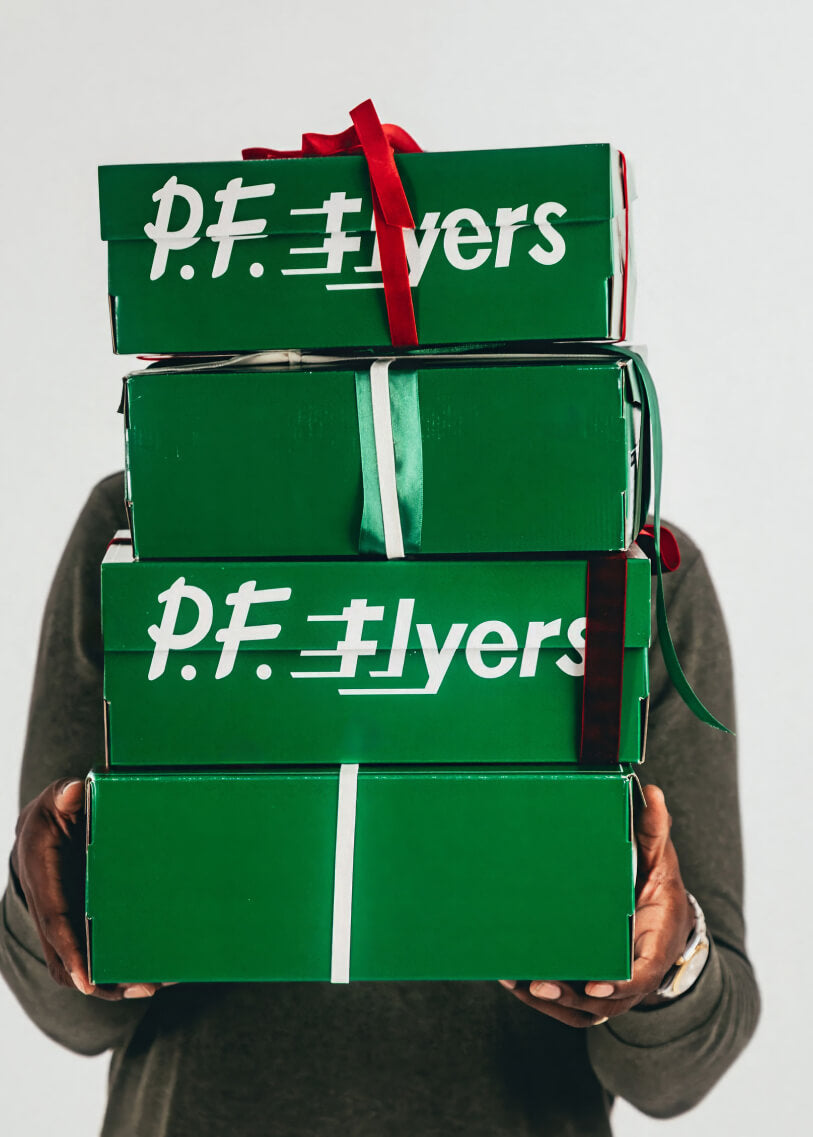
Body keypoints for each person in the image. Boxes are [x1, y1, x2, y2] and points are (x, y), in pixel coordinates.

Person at [1, 473, 760, 1137]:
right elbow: (70, 1017)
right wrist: (54, 905)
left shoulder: (636, 566)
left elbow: (676, 1077)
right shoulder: (142, 523)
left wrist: (668, 967)